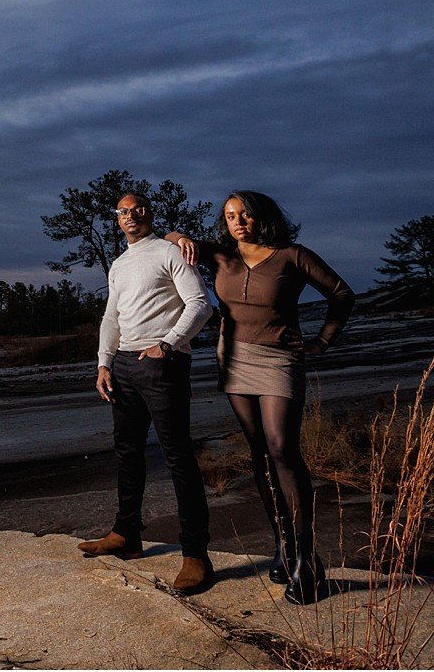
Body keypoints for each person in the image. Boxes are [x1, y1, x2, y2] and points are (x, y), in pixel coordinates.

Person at [166, 191, 354, 605]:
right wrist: (179, 234)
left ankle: (307, 559)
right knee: (259, 454)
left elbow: (342, 294)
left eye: (245, 215)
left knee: (283, 449)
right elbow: (172, 239)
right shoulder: (219, 256)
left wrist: (323, 340)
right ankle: (283, 549)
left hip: (280, 358)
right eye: (231, 216)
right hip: (233, 359)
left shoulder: (292, 256)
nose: (238, 222)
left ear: (261, 217)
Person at [76, 192, 217, 594]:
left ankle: (196, 555)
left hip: (162, 364)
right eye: (122, 212)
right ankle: (126, 536)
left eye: (137, 210)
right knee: (127, 452)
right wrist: (103, 363)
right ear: (117, 219)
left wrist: (167, 344)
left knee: (178, 457)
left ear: (148, 214)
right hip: (122, 365)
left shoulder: (169, 251)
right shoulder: (120, 263)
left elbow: (200, 305)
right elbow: (111, 315)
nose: (130, 216)